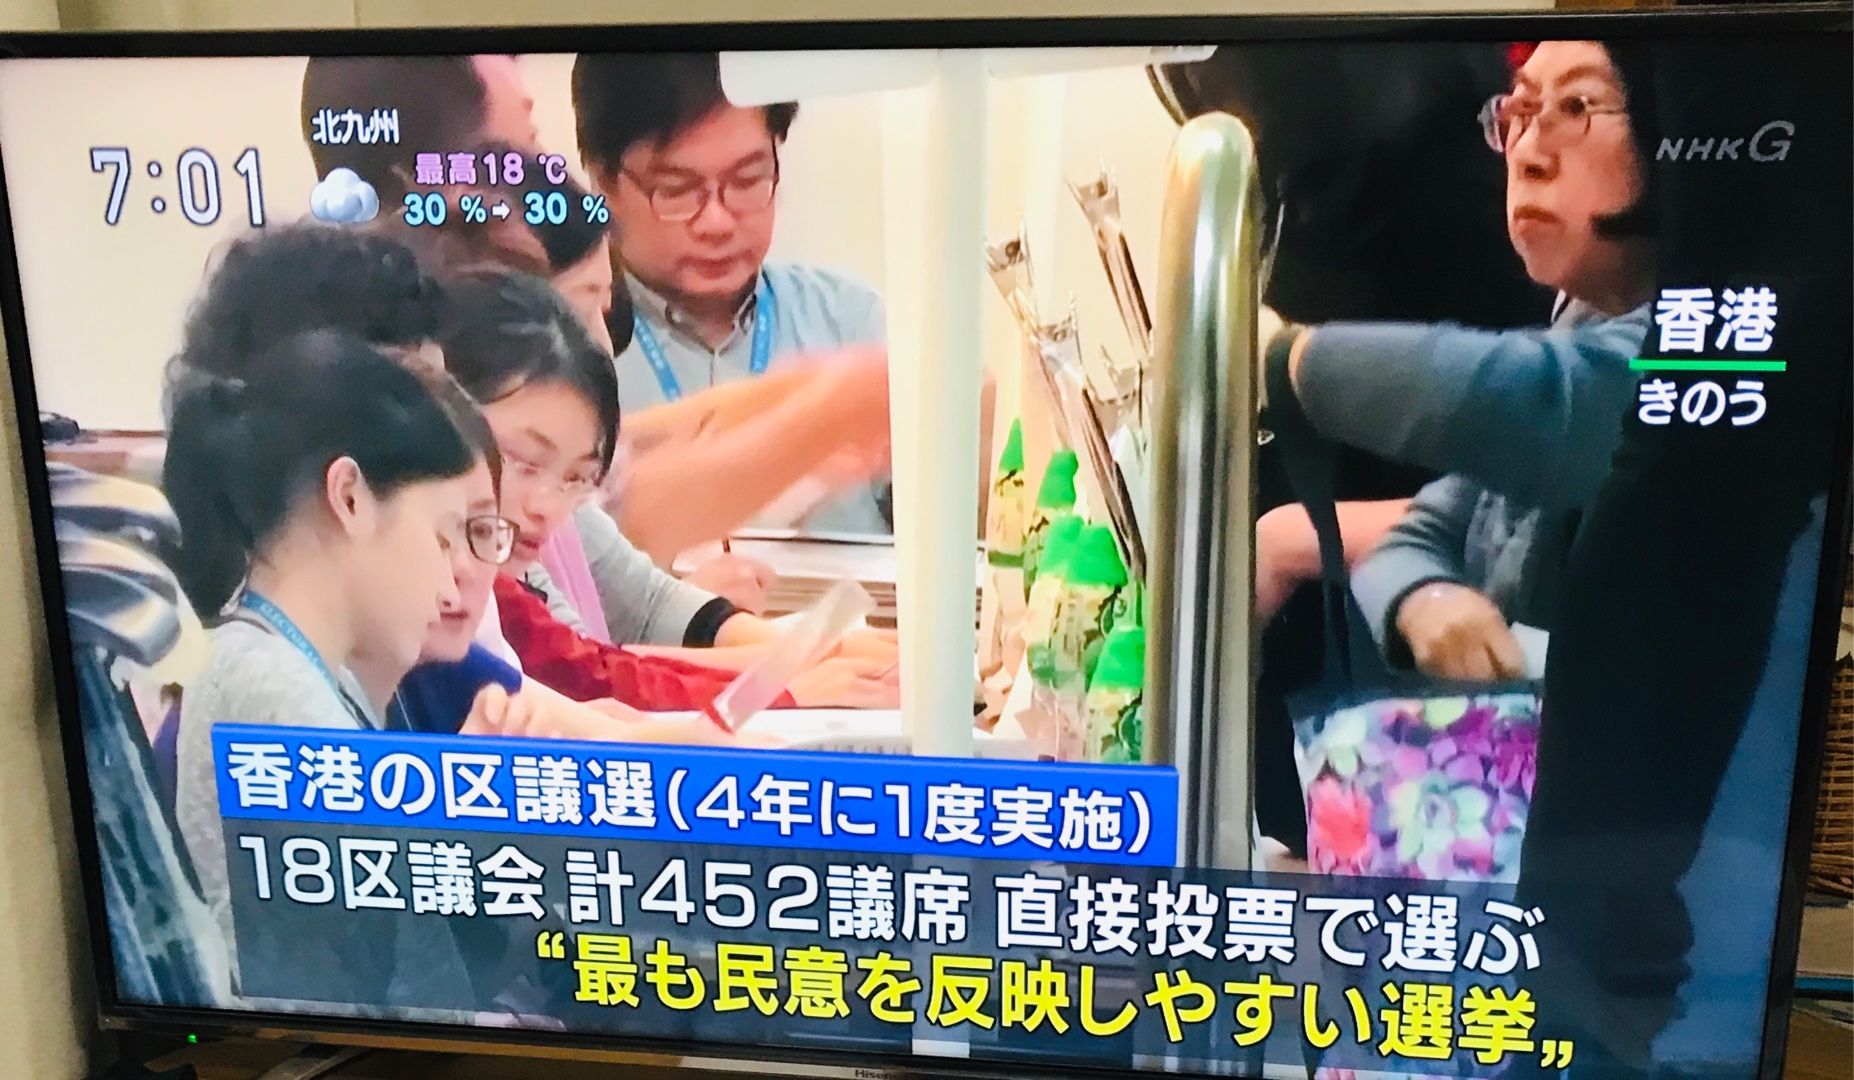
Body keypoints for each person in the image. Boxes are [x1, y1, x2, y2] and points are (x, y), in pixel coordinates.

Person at [1261, 40, 1655, 680]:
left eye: (1576, 106)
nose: (1527, 153)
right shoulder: (1584, 317)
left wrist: (1281, 356)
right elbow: (1423, 531)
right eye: (1519, 113)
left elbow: (1550, 405)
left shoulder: (1729, 336)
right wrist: (1425, 595)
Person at [165, 332, 479, 1004]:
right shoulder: (276, 690)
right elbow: (379, 983)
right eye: (442, 536)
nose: (451, 583)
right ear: (351, 497)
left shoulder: (287, 666)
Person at [438, 268, 898, 710]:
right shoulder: (465, 573)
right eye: (584, 304)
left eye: (576, 479)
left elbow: (622, 630)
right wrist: (787, 683)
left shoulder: (518, 548)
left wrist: (807, 659)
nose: (547, 506)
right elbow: (591, 675)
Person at [572, 50, 893, 541]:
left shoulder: (851, 320)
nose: (717, 222)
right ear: (601, 180)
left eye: (747, 180)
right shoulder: (566, 344)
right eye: (676, 189)